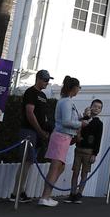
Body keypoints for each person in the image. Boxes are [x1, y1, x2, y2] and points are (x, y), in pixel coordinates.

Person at [38, 76, 86, 207]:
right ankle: (45, 196)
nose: (79, 90)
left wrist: (83, 117)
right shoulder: (66, 102)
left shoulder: (66, 101)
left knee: (60, 166)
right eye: (78, 88)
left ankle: (46, 195)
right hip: (61, 137)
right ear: (74, 88)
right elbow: (65, 121)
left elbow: (70, 118)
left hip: (63, 137)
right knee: (56, 167)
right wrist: (80, 125)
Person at [16, 70, 53, 203]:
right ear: (38, 79)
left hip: (38, 132)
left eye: (48, 80)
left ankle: (20, 190)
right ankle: (17, 192)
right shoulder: (30, 92)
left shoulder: (43, 95)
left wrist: (45, 130)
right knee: (26, 161)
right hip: (29, 131)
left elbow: (44, 116)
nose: (47, 82)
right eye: (44, 80)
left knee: (30, 162)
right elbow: (30, 113)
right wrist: (40, 130)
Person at [68, 98, 104, 204]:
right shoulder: (83, 119)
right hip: (78, 149)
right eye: (95, 106)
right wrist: (85, 117)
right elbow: (78, 129)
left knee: (84, 173)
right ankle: (72, 193)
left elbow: (98, 139)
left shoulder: (99, 123)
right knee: (75, 171)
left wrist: (94, 154)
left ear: (101, 110)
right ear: (91, 106)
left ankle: (80, 193)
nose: (96, 109)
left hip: (89, 151)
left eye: (99, 108)